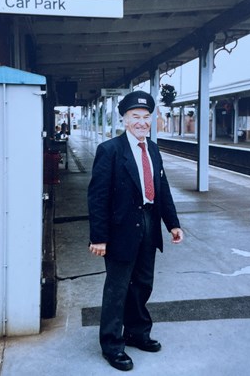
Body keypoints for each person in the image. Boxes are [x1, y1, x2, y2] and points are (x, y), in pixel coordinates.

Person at [88, 90, 183, 371]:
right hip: (120, 229)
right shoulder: (110, 151)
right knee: (117, 288)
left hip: (150, 222)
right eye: (135, 117)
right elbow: (98, 197)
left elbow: (162, 190)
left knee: (143, 283)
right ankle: (112, 345)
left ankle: (138, 332)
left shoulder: (152, 149)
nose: (141, 122)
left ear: (151, 120)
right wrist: (99, 237)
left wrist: (173, 224)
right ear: (124, 119)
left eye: (146, 117)